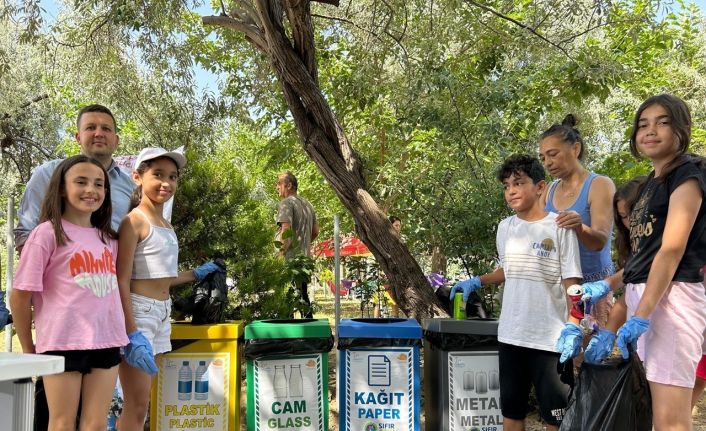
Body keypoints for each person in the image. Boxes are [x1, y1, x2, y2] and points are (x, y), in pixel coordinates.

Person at [579, 94, 706, 431]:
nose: (650, 130)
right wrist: (611, 291)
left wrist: (642, 314)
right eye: (643, 124)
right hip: (647, 299)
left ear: (681, 128)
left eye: (662, 122)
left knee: (670, 420)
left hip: (672, 299)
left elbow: (671, 250)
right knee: (652, 413)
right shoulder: (651, 182)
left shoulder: (688, 174)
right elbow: (642, 259)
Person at [449, 154, 582, 431]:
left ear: (540, 187)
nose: (511, 190)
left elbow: (573, 283)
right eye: (507, 185)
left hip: (550, 339)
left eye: (519, 183)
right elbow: (508, 270)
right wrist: (478, 281)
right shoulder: (506, 228)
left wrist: (575, 326)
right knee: (511, 411)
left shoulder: (560, 227)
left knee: (554, 417)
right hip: (511, 334)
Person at [10, 155, 129, 431]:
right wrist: (30, 352)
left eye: (99, 184)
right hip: (62, 343)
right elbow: (20, 296)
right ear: (62, 188)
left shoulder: (109, 239)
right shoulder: (46, 234)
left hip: (107, 341)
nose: (92, 190)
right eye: (81, 182)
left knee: (95, 424)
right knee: (62, 424)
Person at [116, 147, 222, 431]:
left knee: (143, 403)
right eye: (158, 175)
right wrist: (130, 331)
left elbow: (162, 278)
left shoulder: (166, 224)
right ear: (138, 177)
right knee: (136, 405)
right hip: (139, 314)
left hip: (162, 315)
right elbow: (121, 279)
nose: (166, 183)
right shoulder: (134, 221)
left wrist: (196, 274)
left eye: (172, 177)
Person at [14, 104, 135, 252]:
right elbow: (25, 234)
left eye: (106, 129)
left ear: (116, 140)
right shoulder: (48, 173)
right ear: (78, 137)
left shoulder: (130, 186)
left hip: (112, 272)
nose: (99, 134)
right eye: (90, 127)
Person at [539, 115, 616, 326]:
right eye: (543, 157)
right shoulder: (549, 190)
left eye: (553, 154)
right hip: (558, 286)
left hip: (592, 288)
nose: (548, 163)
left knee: (587, 352)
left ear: (575, 149)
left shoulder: (600, 184)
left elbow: (599, 241)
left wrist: (578, 226)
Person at [275, 171, 319, 317]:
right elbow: (315, 232)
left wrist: (280, 255)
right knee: (302, 297)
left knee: (286, 300)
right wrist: (303, 245)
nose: (277, 187)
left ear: (289, 185)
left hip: (290, 262)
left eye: (279, 183)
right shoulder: (308, 204)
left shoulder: (286, 203)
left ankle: (286, 338)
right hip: (304, 261)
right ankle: (311, 334)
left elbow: (286, 232)